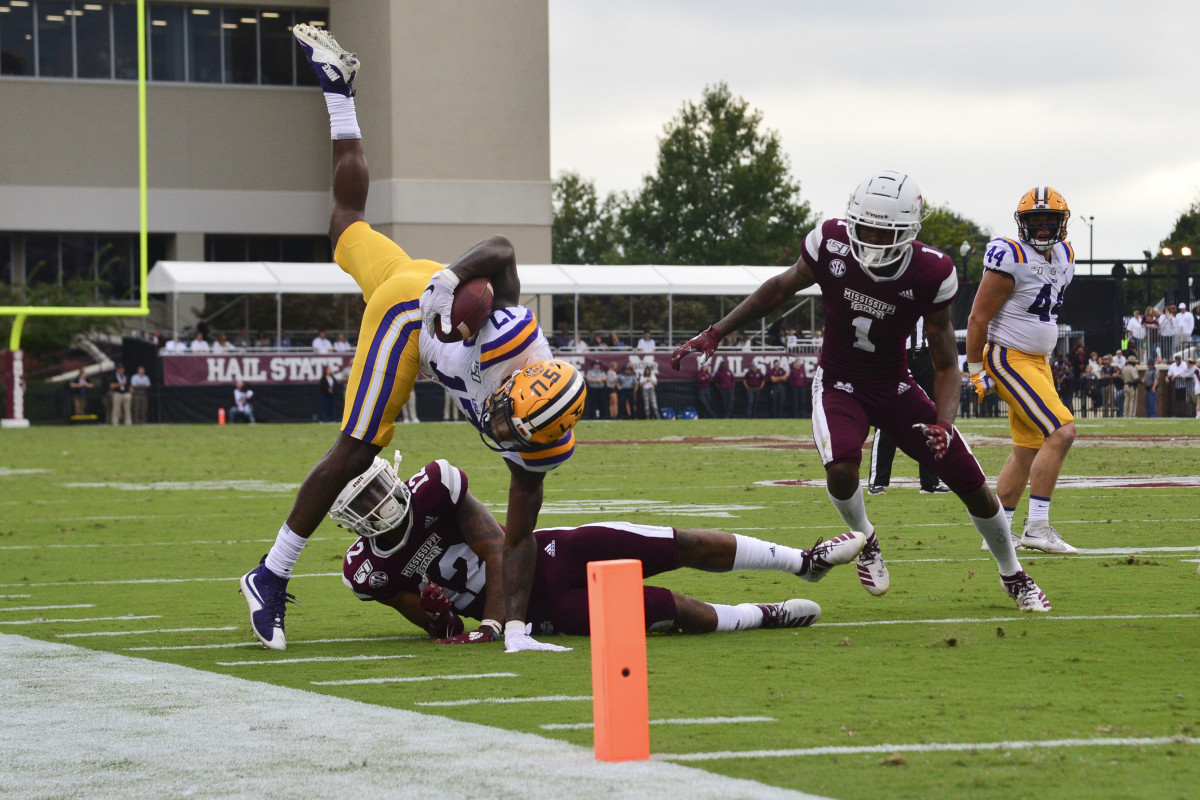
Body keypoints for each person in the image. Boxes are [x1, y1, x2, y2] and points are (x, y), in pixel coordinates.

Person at [239, 25, 584, 654]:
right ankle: (270, 574)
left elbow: (519, 536)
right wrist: (454, 282)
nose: (501, 430)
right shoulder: (507, 338)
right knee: (355, 448)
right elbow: (501, 253)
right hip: (412, 310)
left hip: (416, 281)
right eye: (507, 417)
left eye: (512, 431)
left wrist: (510, 632)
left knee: (345, 225)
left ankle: (338, 93)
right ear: (521, 381)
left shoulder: (538, 443)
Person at [673, 170, 1049, 612]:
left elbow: (947, 362)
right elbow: (777, 288)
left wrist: (945, 423)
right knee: (841, 468)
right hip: (839, 381)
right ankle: (867, 539)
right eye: (863, 226)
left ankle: (1013, 573)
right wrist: (716, 333)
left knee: (970, 482)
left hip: (895, 385)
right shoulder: (830, 241)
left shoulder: (932, 271)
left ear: (906, 231)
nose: (868, 239)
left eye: (881, 231)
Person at [335, 457, 868, 640]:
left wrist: (493, 627)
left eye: (382, 484)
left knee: (679, 543)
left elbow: (499, 549)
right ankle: (761, 615)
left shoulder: (435, 486)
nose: (387, 499)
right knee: (676, 611)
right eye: (371, 499)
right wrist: (440, 619)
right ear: (352, 522)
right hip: (550, 610)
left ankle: (806, 562)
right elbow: (438, 628)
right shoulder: (370, 570)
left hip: (551, 554)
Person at [965, 186, 1079, 555]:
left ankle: (998, 533)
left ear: (1062, 222)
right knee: (1061, 432)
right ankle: (1038, 526)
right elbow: (977, 317)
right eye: (1035, 220)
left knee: (1027, 447)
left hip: (1037, 362)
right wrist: (976, 369)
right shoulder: (1010, 255)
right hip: (1008, 357)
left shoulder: (1065, 254)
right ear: (1022, 223)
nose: (1043, 227)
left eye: (1050, 220)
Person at [868, 318, 950, 496]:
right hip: (899, 357)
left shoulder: (928, 294)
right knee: (887, 416)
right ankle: (877, 481)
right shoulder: (894, 293)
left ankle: (930, 482)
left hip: (925, 357)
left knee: (931, 417)